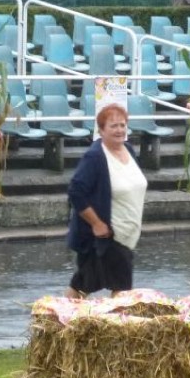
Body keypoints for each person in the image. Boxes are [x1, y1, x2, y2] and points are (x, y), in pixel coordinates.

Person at [65, 104, 148, 298]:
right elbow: (76, 191)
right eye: (113, 126)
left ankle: (62, 321)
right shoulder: (95, 157)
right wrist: (96, 224)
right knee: (120, 288)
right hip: (107, 235)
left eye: (122, 125)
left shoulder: (128, 149)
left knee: (83, 283)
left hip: (127, 234)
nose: (119, 130)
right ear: (101, 130)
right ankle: (117, 325)